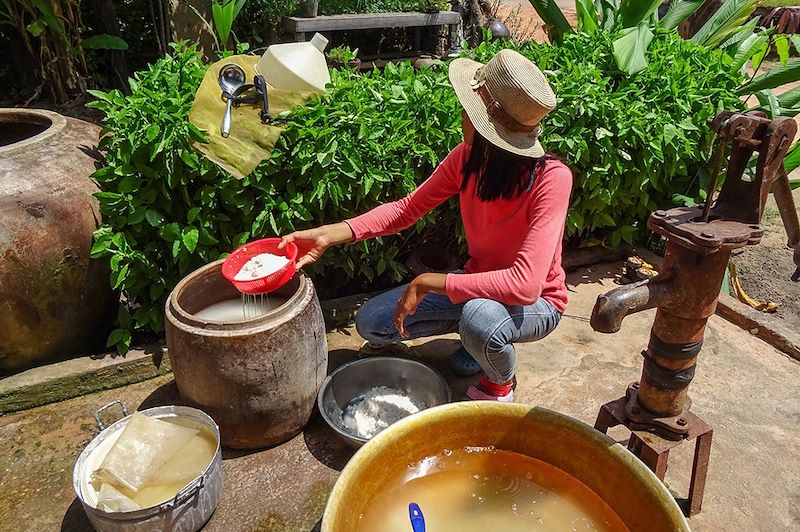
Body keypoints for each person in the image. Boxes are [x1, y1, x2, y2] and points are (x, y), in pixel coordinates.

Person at [279, 49, 572, 402]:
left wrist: (427, 282)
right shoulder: (468, 158)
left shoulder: (552, 179)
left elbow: (525, 286)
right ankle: (477, 340)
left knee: (482, 318)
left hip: (540, 302)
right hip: (477, 284)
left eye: (468, 109)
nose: (462, 114)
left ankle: (499, 382)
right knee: (372, 322)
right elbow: (407, 209)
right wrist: (332, 233)